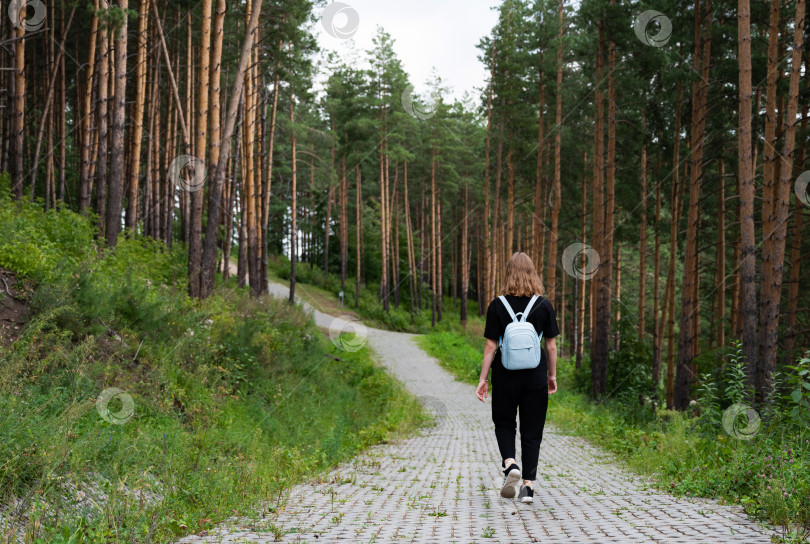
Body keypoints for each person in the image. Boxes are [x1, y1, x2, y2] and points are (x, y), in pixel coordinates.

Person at [475, 252, 559, 504]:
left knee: (504, 423)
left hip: (505, 374)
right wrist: (551, 375)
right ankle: (528, 488)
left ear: (508, 273)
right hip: (535, 376)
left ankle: (510, 463)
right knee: (532, 431)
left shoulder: (497, 305)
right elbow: (551, 346)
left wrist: (483, 379)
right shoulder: (544, 305)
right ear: (532, 273)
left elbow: (491, 347)